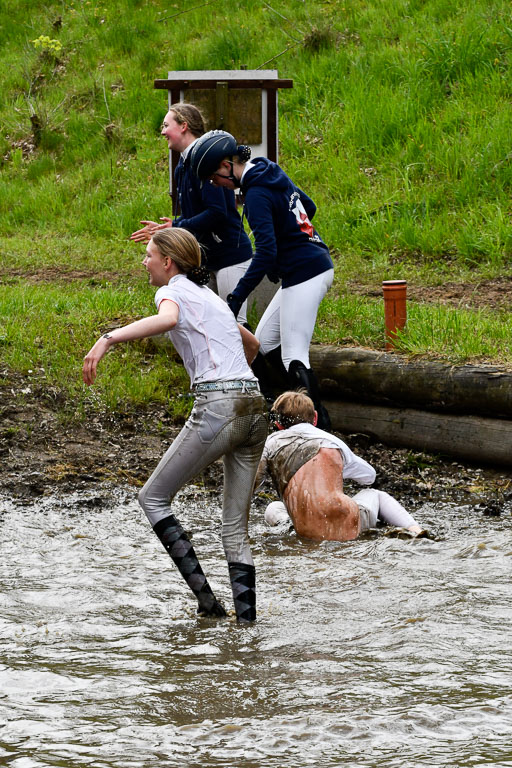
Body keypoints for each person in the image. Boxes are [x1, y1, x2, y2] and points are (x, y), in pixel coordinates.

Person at [83, 228, 268, 622]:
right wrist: (238, 384)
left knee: (152, 498)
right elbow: (252, 345)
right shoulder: (213, 299)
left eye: (148, 255)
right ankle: (247, 627)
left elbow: (167, 319)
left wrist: (108, 338)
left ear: (168, 262)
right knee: (234, 529)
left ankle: (208, 605)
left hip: (220, 409)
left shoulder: (173, 292)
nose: (144, 262)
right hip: (256, 408)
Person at [188, 130, 334, 428]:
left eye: (215, 178)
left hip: (307, 271)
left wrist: (235, 298)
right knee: (265, 344)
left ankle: (320, 427)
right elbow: (309, 206)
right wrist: (289, 242)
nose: (215, 184)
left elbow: (265, 253)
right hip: (305, 267)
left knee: (295, 355)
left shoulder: (255, 195)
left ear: (227, 166)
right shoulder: (269, 169)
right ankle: (285, 409)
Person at [130, 103, 253, 326]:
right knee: (209, 324)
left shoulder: (206, 159)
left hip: (229, 256)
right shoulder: (182, 166)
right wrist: (171, 229)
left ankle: (253, 362)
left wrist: (177, 225)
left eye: (166, 125)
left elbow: (218, 213)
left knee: (236, 324)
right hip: (205, 259)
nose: (162, 131)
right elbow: (191, 218)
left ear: (184, 126)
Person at [254, 390, 424, 542]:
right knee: (375, 495)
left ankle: (291, 527)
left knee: (272, 508)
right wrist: (340, 469)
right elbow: (369, 476)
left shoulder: (271, 443)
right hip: (346, 524)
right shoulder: (333, 441)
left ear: (278, 425)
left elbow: (252, 483)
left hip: (305, 527)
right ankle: (416, 531)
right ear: (314, 418)